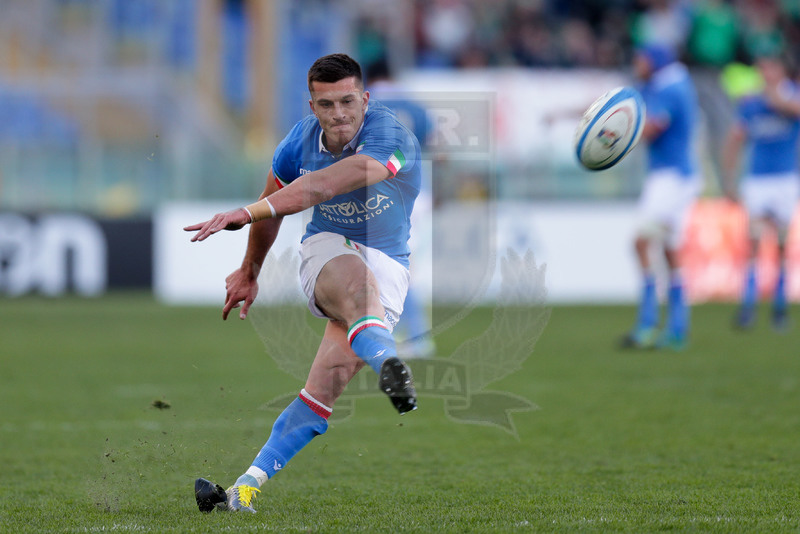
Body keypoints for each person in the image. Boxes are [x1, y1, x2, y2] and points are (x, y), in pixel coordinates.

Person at [185, 53, 422, 513]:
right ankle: (390, 363)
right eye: (326, 104)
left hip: (389, 263)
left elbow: (323, 186)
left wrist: (245, 212)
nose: (339, 114)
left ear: (365, 99)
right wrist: (249, 271)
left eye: (347, 102)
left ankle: (242, 491)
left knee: (319, 396)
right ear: (312, 106)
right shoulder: (297, 145)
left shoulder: (391, 136)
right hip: (326, 248)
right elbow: (273, 205)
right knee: (356, 288)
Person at [621, 44, 700, 350]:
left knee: (640, 242)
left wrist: (610, 137)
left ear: (653, 62)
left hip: (672, 178)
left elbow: (651, 128)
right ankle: (678, 328)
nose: (635, 64)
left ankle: (648, 323)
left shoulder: (670, 89)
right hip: (671, 177)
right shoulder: (657, 86)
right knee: (669, 249)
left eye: (639, 59)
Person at [722, 54, 800, 331]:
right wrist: (729, 178)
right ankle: (748, 305)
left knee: (781, 244)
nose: (765, 72)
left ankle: (779, 307)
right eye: (762, 68)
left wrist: (775, 99)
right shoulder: (750, 103)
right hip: (757, 179)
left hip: (785, 178)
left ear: (782, 71)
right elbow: (735, 139)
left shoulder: (789, 96)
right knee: (753, 241)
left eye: (771, 67)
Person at [365, 58, 435, 357]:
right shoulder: (415, 106)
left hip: (384, 194)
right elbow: (434, 148)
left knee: (390, 267)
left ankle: (416, 336)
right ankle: (407, 333)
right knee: (399, 265)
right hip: (418, 193)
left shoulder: (367, 104)